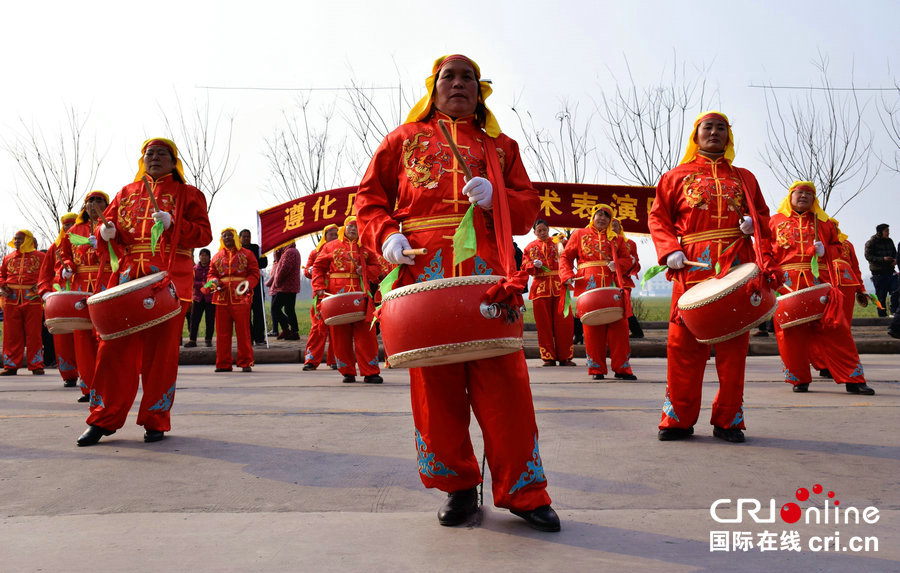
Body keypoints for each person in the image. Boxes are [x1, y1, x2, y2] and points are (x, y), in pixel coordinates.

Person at [355, 54, 559, 532]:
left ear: (481, 90)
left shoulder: (501, 147)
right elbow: (368, 199)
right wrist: (386, 235)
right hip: (421, 272)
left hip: (488, 274)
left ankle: (524, 491)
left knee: (505, 383)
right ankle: (459, 487)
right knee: (436, 384)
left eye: (469, 77)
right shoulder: (401, 141)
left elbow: (528, 209)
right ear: (434, 87)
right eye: (450, 76)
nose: (459, 84)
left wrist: (499, 199)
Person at [649, 111, 777, 444]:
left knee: (734, 348)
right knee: (683, 346)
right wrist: (669, 250)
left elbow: (765, 218)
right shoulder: (674, 177)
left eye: (722, 128)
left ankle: (729, 420)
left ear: (729, 136)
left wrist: (755, 224)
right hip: (691, 268)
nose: (715, 133)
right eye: (709, 127)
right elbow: (658, 218)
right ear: (696, 134)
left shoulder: (744, 178)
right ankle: (677, 419)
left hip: (737, 266)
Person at [76, 137, 212, 446]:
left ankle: (156, 419)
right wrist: (105, 232)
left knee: (160, 354)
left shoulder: (189, 194)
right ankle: (103, 418)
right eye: (149, 153)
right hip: (126, 280)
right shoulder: (126, 193)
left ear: (173, 160)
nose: (154, 158)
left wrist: (174, 223)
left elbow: (204, 234)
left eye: (161, 154)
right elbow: (110, 231)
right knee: (112, 350)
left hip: (169, 279)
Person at [769, 181, 874, 396]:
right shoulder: (774, 222)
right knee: (790, 333)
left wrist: (826, 250)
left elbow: (840, 248)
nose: (804, 197)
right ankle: (799, 378)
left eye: (809, 194)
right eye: (799, 193)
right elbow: (763, 251)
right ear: (790, 196)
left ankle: (853, 379)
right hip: (787, 283)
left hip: (819, 281)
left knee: (836, 328)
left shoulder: (825, 223)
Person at [559, 205, 636, 381]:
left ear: (610, 220)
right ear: (592, 217)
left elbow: (627, 260)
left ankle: (622, 368)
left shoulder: (616, 239)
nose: (602, 218)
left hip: (613, 285)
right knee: (592, 328)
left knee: (620, 327)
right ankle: (596, 369)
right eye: (599, 215)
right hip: (588, 286)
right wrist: (567, 274)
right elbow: (565, 257)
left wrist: (618, 265)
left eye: (606, 216)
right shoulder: (579, 235)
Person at [311, 217, 382, 384]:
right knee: (340, 334)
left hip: (360, 294)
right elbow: (318, 267)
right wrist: (319, 286)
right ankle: (347, 371)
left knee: (366, 333)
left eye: (357, 226)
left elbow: (377, 268)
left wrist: (363, 269)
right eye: (350, 226)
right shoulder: (331, 246)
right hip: (337, 296)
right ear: (345, 228)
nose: (353, 229)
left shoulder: (366, 247)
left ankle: (370, 372)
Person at [59, 190, 114, 403]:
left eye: (100, 200)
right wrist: (67, 269)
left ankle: (107, 385)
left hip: (106, 283)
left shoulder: (111, 228)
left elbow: (122, 251)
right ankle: (89, 387)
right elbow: (64, 255)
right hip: (80, 285)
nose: (95, 204)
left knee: (104, 337)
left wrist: (101, 245)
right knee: (81, 338)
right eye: (91, 200)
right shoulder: (73, 231)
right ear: (85, 206)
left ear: (107, 205)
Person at [206, 228, 260, 373]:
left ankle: (245, 362)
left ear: (236, 237)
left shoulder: (247, 254)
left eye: (230, 235)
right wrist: (214, 281)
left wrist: (247, 284)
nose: (227, 238)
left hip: (240, 297)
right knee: (222, 333)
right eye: (225, 236)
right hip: (221, 297)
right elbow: (211, 274)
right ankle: (223, 363)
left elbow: (254, 273)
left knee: (243, 331)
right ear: (221, 238)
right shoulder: (217, 256)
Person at [522, 220, 574, 367]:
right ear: (534, 232)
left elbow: (571, 251)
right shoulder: (530, 247)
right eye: (539, 230)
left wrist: (566, 240)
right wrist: (533, 265)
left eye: (544, 229)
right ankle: (548, 357)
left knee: (564, 323)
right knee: (543, 325)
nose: (543, 232)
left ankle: (565, 357)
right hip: (540, 288)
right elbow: (524, 266)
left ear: (548, 229)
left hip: (559, 286)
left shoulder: (558, 242)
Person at [37, 212, 80, 388]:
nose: (69, 228)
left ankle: (88, 374)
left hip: (81, 295)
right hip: (60, 298)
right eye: (66, 225)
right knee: (62, 338)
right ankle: (69, 374)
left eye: (72, 224)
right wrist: (46, 293)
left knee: (83, 336)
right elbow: (44, 276)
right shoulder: (55, 249)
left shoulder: (85, 245)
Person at [0, 230, 45, 376]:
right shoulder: (8, 258)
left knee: (34, 333)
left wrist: (41, 286)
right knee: (11, 333)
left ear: (28, 240)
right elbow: (2, 275)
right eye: (16, 239)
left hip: (32, 298)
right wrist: (2, 287)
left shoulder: (40, 257)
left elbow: (48, 273)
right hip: (11, 298)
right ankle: (10, 365)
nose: (17, 241)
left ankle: (36, 364)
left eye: (20, 239)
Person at [302, 224, 338, 371]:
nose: (334, 237)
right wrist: (311, 270)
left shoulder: (343, 251)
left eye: (336, 234)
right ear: (324, 235)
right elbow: (307, 272)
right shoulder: (315, 253)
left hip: (337, 293)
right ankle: (311, 360)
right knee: (318, 328)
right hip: (321, 294)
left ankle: (336, 359)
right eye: (331, 234)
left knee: (337, 328)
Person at [613, 218, 645, 339]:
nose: (612, 228)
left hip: (623, 280)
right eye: (610, 226)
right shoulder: (602, 242)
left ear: (620, 228)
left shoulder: (630, 243)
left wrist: (630, 262)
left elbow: (636, 264)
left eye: (615, 225)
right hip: (605, 280)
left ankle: (636, 331)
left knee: (624, 306)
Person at [239, 229, 268, 345]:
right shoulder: (237, 250)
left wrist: (252, 263)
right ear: (240, 238)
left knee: (258, 310)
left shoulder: (257, 248)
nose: (246, 239)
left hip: (256, 283)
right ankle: (248, 337)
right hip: (242, 284)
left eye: (248, 236)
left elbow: (264, 263)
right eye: (244, 237)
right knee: (245, 312)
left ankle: (259, 337)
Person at [863, 224, 897, 317]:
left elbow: (895, 253)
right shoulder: (871, 242)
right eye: (886, 231)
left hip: (891, 272)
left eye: (888, 231)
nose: (888, 233)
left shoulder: (890, 241)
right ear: (880, 232)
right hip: (878, 274)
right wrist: (883, 259)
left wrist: (895, 260)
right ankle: (882, 318)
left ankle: (894, 313)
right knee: (881, 297)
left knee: (896, 292)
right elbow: (868, 256)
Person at [269, 242, 301, 340]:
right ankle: (290, 331)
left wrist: (277, 281)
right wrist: (278, 253)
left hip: (286, 286)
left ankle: (290, 328)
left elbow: (284, 268)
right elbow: (279, 263)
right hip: (290, 286)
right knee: (289, 309)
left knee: (275, 308)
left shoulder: (290, 252)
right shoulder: (288, 251)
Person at [186, 248, 215, 348]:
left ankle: (208, 340)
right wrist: (203, 284)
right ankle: (192, 340)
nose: (204, 257)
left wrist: (208, 285)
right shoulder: (194, 269)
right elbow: (191, 281)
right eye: (202, 255)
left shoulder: (213, 268)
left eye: (206, 255)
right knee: (194, 320)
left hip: (210, 298)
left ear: (209, 257)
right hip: (198, 297)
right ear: (199, 257)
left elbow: (215, 280)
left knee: (210, 320)